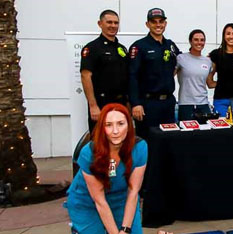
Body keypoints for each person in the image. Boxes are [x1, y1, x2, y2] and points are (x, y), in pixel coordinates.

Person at [65, 103, 147, 234]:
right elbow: (99, 200)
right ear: (102, 128)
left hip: (122, 198)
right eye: (109, 125)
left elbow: (133, 191)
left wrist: (125, 229)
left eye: (121, 124)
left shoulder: (140, 148)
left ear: (129, 126)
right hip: (88, 201)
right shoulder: (89, 153)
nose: (115, 131)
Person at [129, 8, 181, 138]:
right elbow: (132, 76)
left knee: (168, 141)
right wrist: (136, 103)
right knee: (148, 142)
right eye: (154, 22)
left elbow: (181, 63)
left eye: (161, 21)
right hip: (148, 104)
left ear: (165, 24)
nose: (158, 25)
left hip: (168, 103)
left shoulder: (170, 45)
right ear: (147, 24)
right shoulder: (139, 46)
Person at [80, 10, 129, 132]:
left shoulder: (121, 49)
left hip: (121, 102)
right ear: (100, 23)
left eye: (116, 23)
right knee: (100, 141)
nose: (113, 26)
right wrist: (93, 105)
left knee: (121, 138)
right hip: (102, 103)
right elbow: (85, 76)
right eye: (109, 22)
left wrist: (128, 102)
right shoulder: (92, 48)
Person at [207, 23, 233, 117]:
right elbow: (209, 82)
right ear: (224, 36)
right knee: (222, 130)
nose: (231, 36)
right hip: (221, 100)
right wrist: (222, 83)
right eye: (228, 33)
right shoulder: (216, 54)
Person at [176, 29, 213, 121]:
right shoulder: (181, 58)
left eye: (202, 40)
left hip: (203, 104)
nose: (199, 42)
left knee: (205, 133)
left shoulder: (208, 61)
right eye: (196, 40)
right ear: (190, 41)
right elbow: (169, 77)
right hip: (186, 104)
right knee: (187, 134)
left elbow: (210, 83)